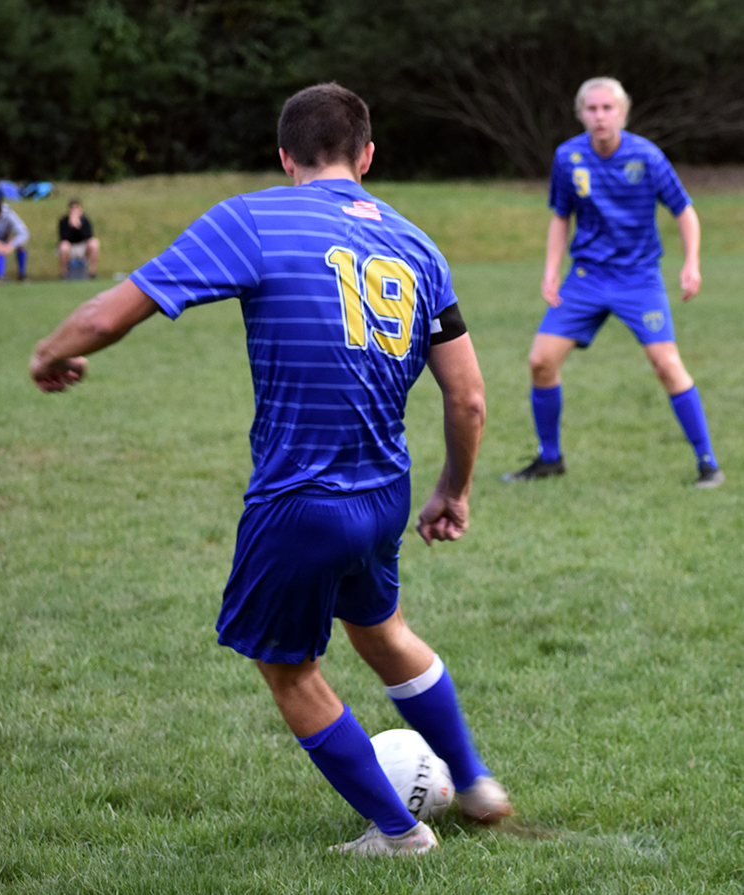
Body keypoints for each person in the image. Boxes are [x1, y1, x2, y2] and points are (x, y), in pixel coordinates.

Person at [29, 83, 512, 857]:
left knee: (287, 668)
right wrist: (453, 489)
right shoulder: (417, 245)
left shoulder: (253, 219)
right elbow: (470, 398)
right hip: (384, 492)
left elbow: (112, 311)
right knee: (381, 629)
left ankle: (399, 833)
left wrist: (51, 352)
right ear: (367, 156)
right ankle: (478, 782)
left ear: (285, 156)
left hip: (300, 500)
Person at [502, 77, 723, 488]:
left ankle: (707, 463)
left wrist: (692, 263)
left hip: (639, 278)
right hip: (586, 278)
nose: (600, 116)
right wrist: (551, 270)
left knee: (667, 364)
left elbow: (684, 211)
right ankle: (549, 459)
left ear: (623, 113)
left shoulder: (647, 156)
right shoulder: (568, 157)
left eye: (608, 108)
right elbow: (560, 216)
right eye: (592, 109)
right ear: (580, 114)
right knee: (541, 362)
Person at [58, 199, 100, 279]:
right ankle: (63, 274)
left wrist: (78, 226)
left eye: (77, 208)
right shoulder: (63, 221)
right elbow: (63, 237)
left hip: (83, 247)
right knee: (63, 246)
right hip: (70, 248)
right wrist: (71, 226)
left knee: (94, 243)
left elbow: (88, 236)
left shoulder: (85, 221)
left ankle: (92, 273)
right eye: (72, 208)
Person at [0, 196, 29, 281]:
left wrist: (11, 245)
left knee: (21, 244)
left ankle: (22, 275)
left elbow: (24, 233)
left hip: (4, 240)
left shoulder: (7, 213)